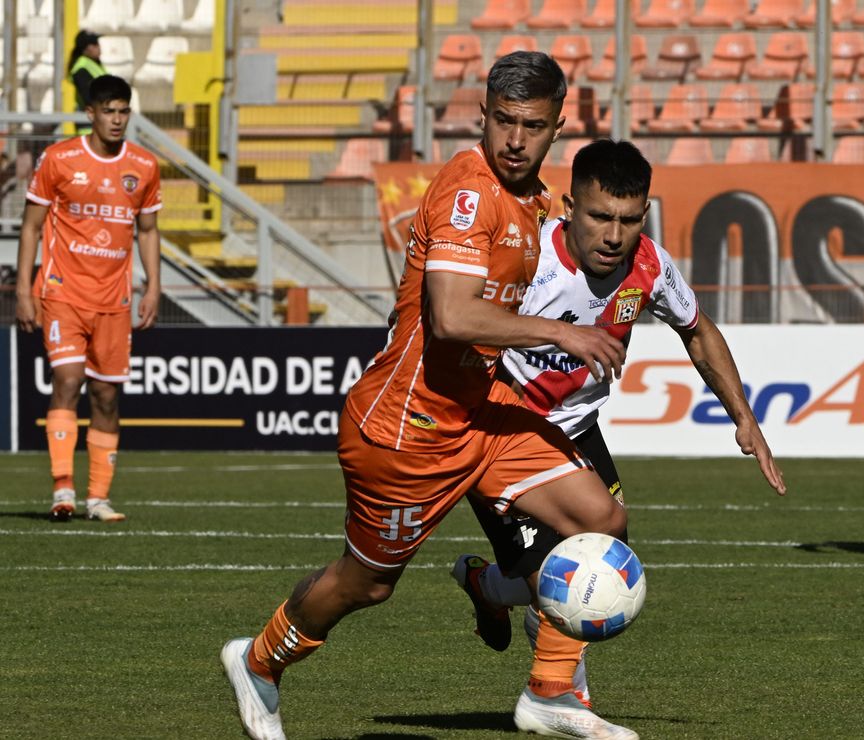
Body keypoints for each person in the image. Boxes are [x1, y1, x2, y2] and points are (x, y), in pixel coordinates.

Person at [220, 52, 633, 740]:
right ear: (482, 117)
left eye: (532, 125)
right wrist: (561, 336)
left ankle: (551, 692)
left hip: (480, 413)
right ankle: (259, 661)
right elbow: (451, 316)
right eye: (503, 121)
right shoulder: (467, 193)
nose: (514, 139)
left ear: (558, 127)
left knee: (600, 517)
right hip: (406, 429)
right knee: (366, 585)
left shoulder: (533, 200)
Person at [451, 138, 787, 730]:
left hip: (580, 429)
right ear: (569, 206)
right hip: (505, 429)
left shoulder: (649, 265)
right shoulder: (532, 260)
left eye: (629, 220)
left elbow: (698, 330)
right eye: (600, 216)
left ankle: (487, 585)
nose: (614, 235)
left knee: (595, 562)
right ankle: (556, 699)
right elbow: (464, 321)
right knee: (565, 577)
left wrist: (744, 415)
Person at [15, 74, 162, 524]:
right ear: (91, 113)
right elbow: (32, 226)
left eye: (123, 112)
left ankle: (98, 499)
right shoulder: (59, 160)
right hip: (62, 291)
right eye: (109, 111)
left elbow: (149, 230)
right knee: (68, 379)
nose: (117, 120)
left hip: (114, 300)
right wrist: (25, 289)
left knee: (106, 396)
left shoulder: (144, 166)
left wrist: (153, 285)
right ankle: (63, 488)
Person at [68, 30, 109, 130]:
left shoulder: (94, 64)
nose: (98, 47)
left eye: (98, 43)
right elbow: (89, 98)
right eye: (94, 44)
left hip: (99, 124)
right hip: (89, 127)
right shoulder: (81, 68)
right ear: (85, 49)